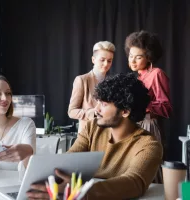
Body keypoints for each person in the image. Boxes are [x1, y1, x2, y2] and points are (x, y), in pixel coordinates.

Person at [26, 73, 163, 200]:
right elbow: (68, 161)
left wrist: (82, 192)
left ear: (125, 112)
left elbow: (135, 182)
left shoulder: (149, 145)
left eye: (103, 104)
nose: (96, 109)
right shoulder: (93, 128)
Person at [125, 30, 172, 146]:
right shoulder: (138, 77)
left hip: (148, 125)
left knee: (148, 163)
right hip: (134, 124)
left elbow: (166, 108)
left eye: (138, 57)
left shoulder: (157, 73)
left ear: (149, 58)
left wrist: (143, 103)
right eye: (131, 56)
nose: (133, 61)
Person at [68, 41, 115, 133]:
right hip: (88, 133)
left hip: (108, 133)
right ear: (93, 59)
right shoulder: (82, 80)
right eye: (102, 60)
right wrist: (92, 113)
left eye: (109, 61)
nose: (106, 64)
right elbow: (71, 112)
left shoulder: (112, 82)